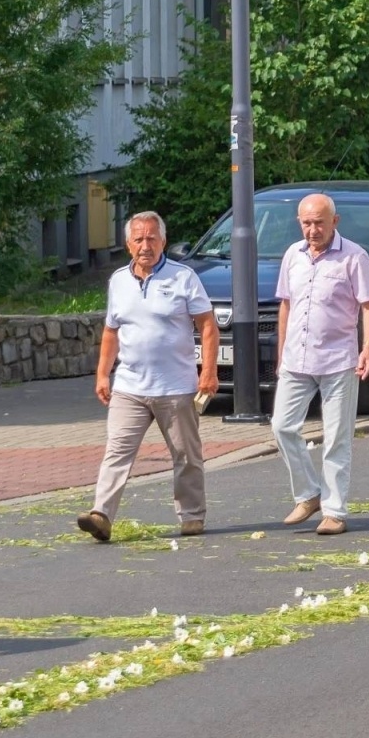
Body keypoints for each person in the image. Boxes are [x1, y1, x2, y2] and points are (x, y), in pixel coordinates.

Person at [77, 212, 217, 543]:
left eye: (152, 238)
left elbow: (207, 325)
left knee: (186, 456)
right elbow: (112, 331)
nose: (145, 245)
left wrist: (208, 372)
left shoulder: (183, 277)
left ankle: (192, 514)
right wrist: (102, 374)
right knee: (117, 451)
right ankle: (102, 515)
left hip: (177, 387)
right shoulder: (118, 281)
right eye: (138, 239)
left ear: (163, 242)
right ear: (127, 244)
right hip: (129, 386)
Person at [272, 193, 369, 536]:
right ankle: (309, 494)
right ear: (298, 223)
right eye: (306, 223)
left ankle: (334, 511)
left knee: (336, 438)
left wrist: (368, 348)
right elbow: (286, 306)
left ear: (335, 221)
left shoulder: (354, 257)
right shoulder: (293, 255)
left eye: (319, 222)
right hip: (296, 360)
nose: (312, 229)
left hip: (337, 360)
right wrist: (281, 350)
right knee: (282, 426)